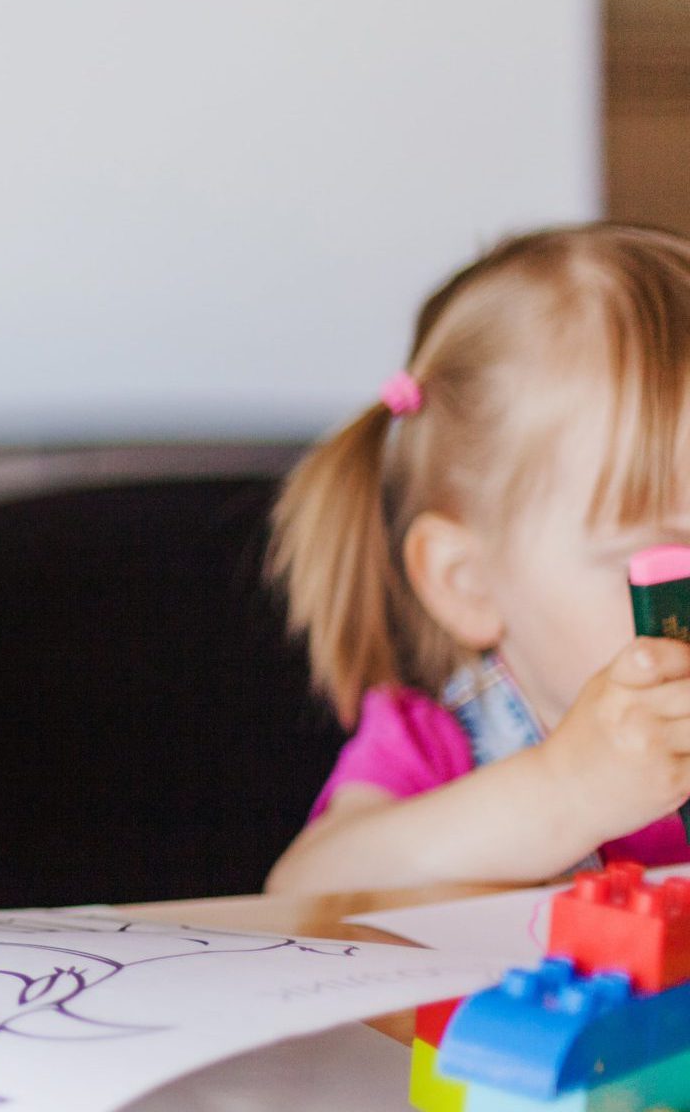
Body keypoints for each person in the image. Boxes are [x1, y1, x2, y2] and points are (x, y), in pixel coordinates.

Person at [266, 224, 690, 893]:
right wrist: (567, 790)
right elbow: (304, 891)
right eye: (667, 567)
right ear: (469, 585)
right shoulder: (434, 746)